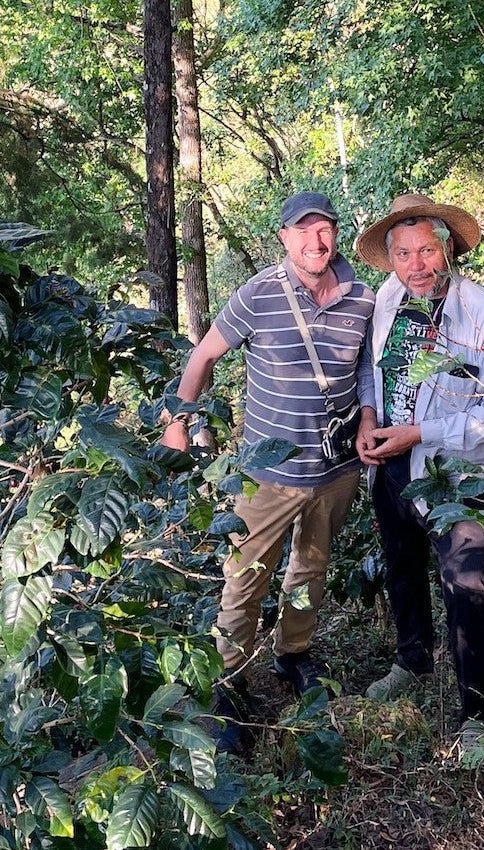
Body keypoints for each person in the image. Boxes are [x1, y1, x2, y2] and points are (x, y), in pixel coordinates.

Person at [162, 191, 375, 752]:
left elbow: (367, 369)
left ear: (336, 234)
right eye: (303, 232)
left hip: (336, 469)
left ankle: (293, 653)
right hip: (268, 474)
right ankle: (230, 682)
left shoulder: (363, 299)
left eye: (324, 230)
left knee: (311, 567)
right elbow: (205, 355)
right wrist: (179, 420)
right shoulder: (258, 294)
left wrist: (367, 418)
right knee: (245, 577)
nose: (315, 242)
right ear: (284, 238)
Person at [354, 194, 484, 744]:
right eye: (403, 254)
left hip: (457, 474)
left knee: (466, 584)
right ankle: (413, 659)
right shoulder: (388, 298)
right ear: (391, 259)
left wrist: (422, 433)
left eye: (426, 250)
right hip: (393, 461)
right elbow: (373, 366)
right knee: (401, 563)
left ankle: (478, 714)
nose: (416, 265)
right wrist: (369, 418)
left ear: (448, 248)